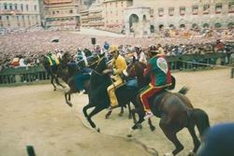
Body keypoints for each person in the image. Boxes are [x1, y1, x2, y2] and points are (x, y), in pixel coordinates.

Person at [139, 45, 172, 119]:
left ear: (150, 54)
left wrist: (145, 70)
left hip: (159, 84)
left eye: (148, 53)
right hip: (169, 81)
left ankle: (148, 111)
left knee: (142, 95)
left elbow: (145, 75)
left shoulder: (151, 61)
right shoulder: (163, 58)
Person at [107, 45, 127, 110]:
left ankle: (114, 103)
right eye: (111, 53)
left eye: (113, 52)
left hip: (122, 78)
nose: (112, 54)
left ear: (116, 52)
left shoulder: (120, 59)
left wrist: (113, 71)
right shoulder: (115, 58)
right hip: (117, 76)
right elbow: (110, 64)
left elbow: (122, 69)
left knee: (109, 89)